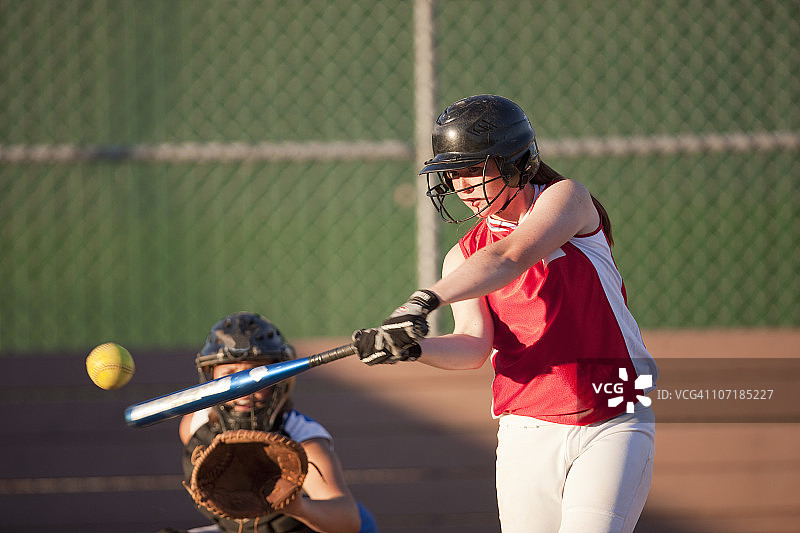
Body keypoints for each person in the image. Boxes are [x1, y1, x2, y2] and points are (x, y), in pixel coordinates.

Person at [352, 95, 658, 533]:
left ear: (517, 162)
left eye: (475, 169)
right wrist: (413, 348)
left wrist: (423, 300)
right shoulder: (462, 258)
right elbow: (474, 345)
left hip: (613, 412)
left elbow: (511, 255)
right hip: (527, 428)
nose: (463, 187)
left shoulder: (566, 199)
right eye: (454, 174)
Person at [170, 311, 377, 533]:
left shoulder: (303, 439)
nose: (243, 390)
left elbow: (348, 521)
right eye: (229, 375)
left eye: (256, 376)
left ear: (280, 381)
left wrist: (298, 507)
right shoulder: (196, 426)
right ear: (211, 377)